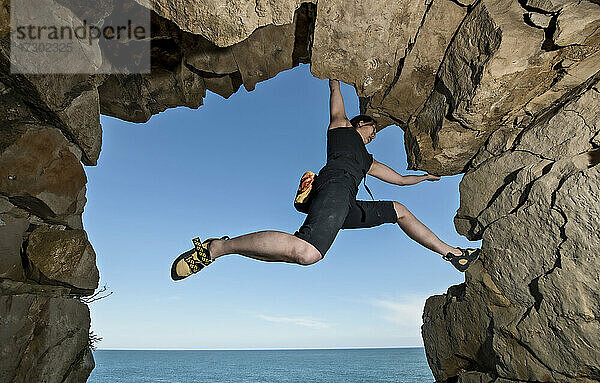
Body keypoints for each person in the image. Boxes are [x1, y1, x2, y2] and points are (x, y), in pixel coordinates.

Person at [170, 79, 479, 281]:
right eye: (372, 128)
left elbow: (397, 179)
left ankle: (452, 253)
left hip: (346, 201)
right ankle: (216, 249)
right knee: (307, 253)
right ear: (359, 124)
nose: (374, 133)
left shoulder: (367, 160)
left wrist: (423, 178)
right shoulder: (342, 130)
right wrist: (335, 79)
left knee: (398, 209)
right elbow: (336, 96)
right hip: (336, 186)